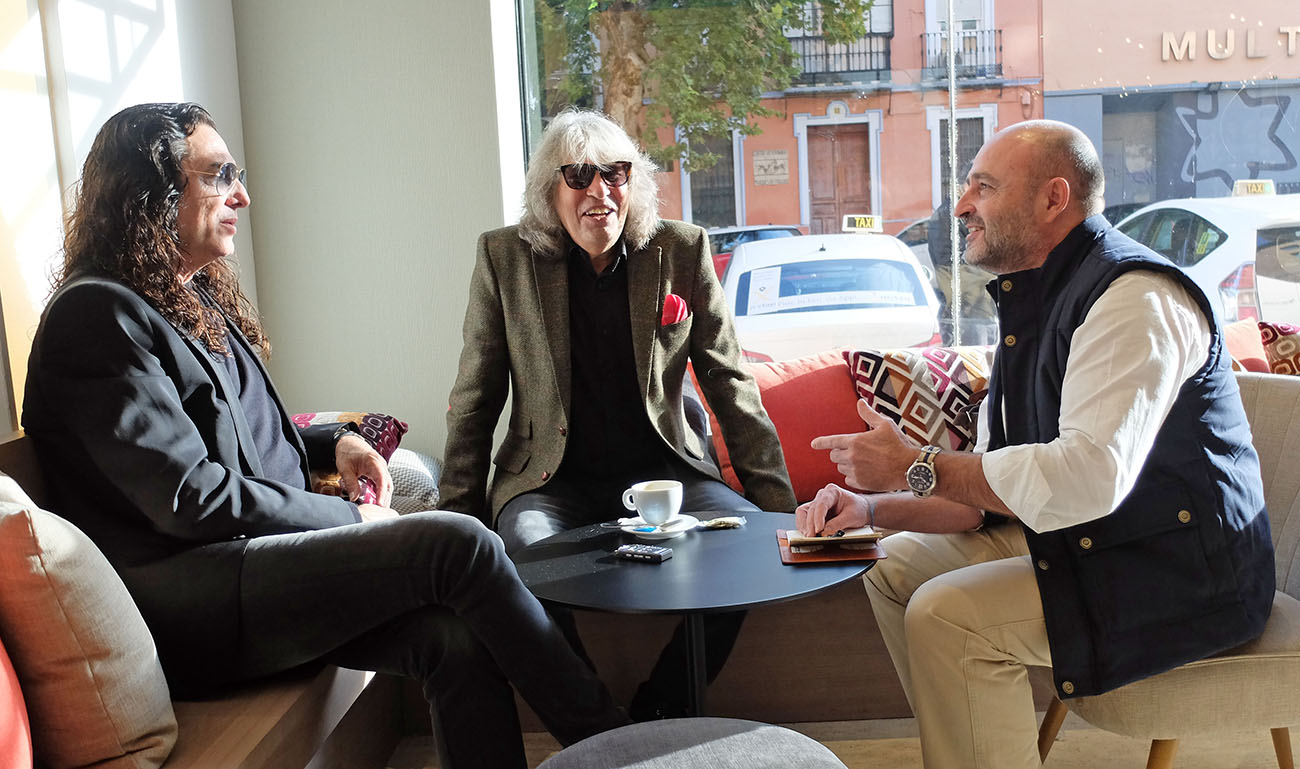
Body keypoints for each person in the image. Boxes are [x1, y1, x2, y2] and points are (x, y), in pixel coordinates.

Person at [21, 102, 629, 769]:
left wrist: (332, 441)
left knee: (452, 635)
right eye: (219, 175)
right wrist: (350, 515)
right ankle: (619, 751)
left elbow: (239, 441)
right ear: (153, 190)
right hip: (194, 603)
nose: (242, 195)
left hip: (246, 573)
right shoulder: (95, 317)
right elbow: (190, 496)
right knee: (458, 542)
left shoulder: (184, 298)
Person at [796, 119, 1274, 768]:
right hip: (1099, 538)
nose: (961, 205)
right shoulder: (1035, 306)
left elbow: (1082, 479)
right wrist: (873, 511)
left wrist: (916, 464)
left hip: (1182, 572)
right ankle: (971, 747)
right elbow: (985, 496)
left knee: (949, 615)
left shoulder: (1133, 298)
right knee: (893, 562)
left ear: (1054, 198)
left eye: (983, 187)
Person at [440, 108, 796, 719]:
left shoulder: (681, 249)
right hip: (552, 483)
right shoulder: (505, 258)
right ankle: (597, 728)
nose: (598, 192)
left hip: (669, 477)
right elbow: (476, 396)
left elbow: (729, 379)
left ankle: (662, 708)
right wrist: (455, 524)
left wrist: (781, 512)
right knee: (521, 561)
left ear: (633, 185)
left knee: (746, 547)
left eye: (615, 174)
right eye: (578, 175)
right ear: (550, 190)